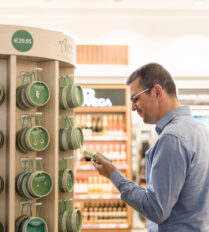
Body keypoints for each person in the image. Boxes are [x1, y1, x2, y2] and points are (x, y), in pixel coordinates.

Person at [92, 63, 209, 232]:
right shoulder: (199, 129)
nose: (132, 107)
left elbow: (156, 209)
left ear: (157, 92)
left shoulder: (171, 138)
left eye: (135, 98)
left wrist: (114, 176)